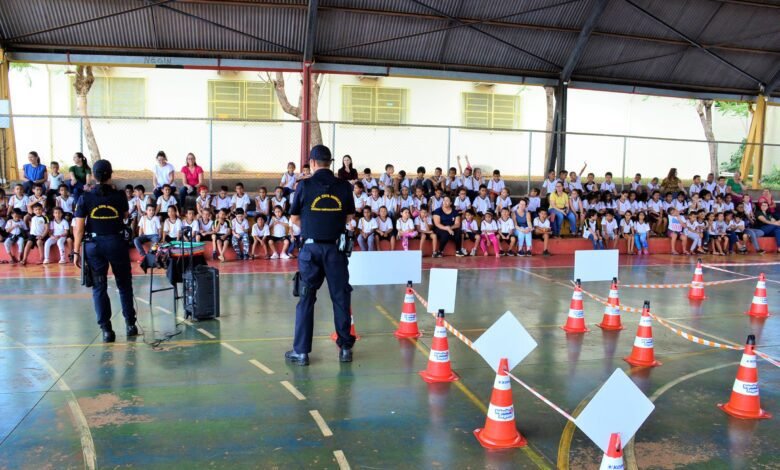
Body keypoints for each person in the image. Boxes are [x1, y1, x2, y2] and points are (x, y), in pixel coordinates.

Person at [287, 144, 356, 366]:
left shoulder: (304, 186)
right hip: (335, 250)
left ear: (313, 163)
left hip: (311, 251)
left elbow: (294, 219)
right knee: (340, 298)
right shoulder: (344, 186)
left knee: (306, 299)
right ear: (330, 163)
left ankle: (301, 352)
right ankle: (345, 348)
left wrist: (312, 223)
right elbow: (349, 217)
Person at [72, 160, 138, 343]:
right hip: (116, 242)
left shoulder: (85, 197)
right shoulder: (119, 196)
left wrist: (76, 251)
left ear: (93, 175)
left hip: (94, 245)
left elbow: (78, 228)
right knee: (124, 285)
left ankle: (107, 330)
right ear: (111, 174)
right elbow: (125, 216)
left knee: (99, 287)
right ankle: (130, 324)